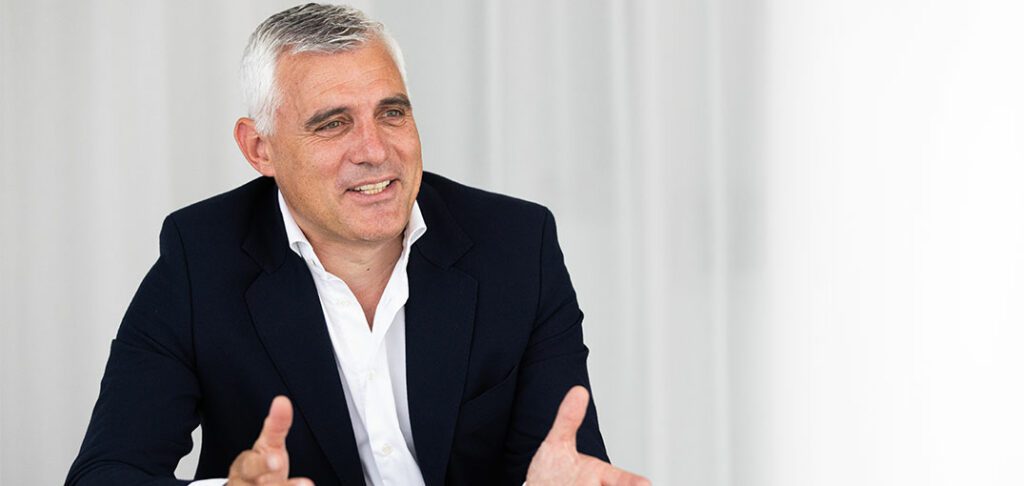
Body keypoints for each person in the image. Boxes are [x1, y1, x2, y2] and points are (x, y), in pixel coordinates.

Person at [66, 4, 649, 486]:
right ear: (259, 149)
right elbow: (106, 472)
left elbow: (564, 461)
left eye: (391, 113)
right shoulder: (201, 258)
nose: (374, 150)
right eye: (332, 123)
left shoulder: (516, 245)